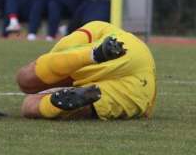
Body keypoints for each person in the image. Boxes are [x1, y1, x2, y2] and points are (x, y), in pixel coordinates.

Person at [16, 21, 156, 121]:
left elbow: (53, 59)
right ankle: (63, 103)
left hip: (119, 49)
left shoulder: (92, 29)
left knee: (25, 85)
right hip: (141, 87)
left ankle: (92, 57)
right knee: (30, 102)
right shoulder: (97, 27)